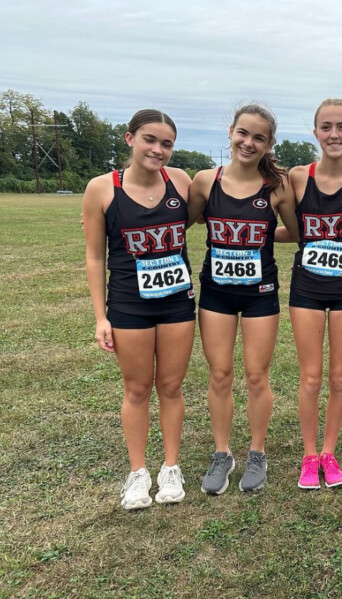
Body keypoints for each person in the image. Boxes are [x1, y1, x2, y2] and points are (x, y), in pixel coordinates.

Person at [83, 109, 194, 510]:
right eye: (150, 139)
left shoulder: (180, 182)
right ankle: (137, 472)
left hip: (177, 303)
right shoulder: (101, 189)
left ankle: (170, 467)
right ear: (130, 139)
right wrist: (101, 316)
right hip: (129, 304)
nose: (158, 149)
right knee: (136, 388)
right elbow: (95, 256)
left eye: (166, 143)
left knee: (170, 386)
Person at [188, 103, 298, 495]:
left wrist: (262, 236)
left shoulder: (278, 187)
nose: (249, 143)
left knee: (256, 376)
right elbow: (186, 220)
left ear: (269, 144)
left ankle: (257, 452)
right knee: (219, 374)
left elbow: (297, 233)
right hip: (215, 292)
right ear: (230, 132)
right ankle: (222, 453)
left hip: (260, 295)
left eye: (259, 138)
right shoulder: (204, 181)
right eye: (243, 134)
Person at [288, 99, 342, 489]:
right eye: (326, 127)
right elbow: (291, 230)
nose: (334, 134)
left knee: (339, 377)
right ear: (315, 132)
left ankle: (329, 451)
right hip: (306, 285)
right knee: (310, 377)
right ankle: (309, 455)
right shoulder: (297, 177)